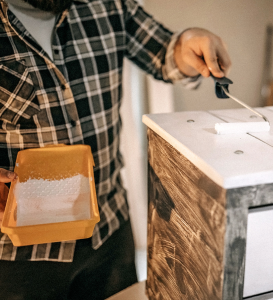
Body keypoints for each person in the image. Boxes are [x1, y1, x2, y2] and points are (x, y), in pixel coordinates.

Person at [0, 0, 231, 298]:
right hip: (17, 256)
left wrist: (190, 43)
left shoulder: (109, 4)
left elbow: (165, 51)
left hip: (109, 233)